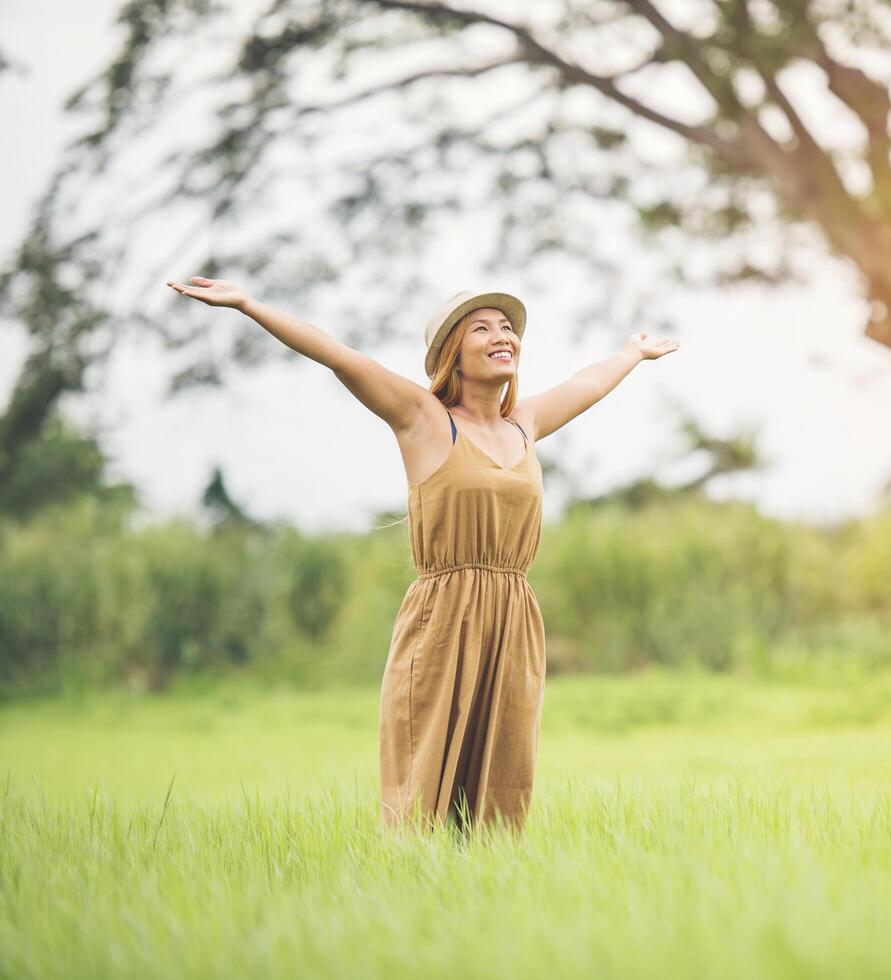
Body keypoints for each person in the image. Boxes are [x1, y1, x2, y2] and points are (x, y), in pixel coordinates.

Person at [165, 276, 680, 835]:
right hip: (443, 614)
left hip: (513, 615)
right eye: (481, 329)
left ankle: (487, 894)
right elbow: (339, 356)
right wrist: (249, 304)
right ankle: (412, 889)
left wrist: (631, 354)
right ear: (453, 355)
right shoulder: (423, 418)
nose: (501, 336)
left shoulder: (523, 424)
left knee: (502, 778)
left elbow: (587, 383)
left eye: (507, 328)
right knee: (426, 777)